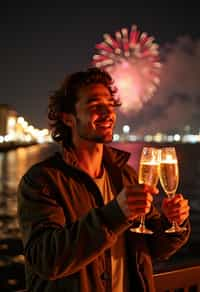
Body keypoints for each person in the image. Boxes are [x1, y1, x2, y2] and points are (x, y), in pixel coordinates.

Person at [17, 67, 190, 292]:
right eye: (95, 106)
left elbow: (153, 249)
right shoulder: (42, 180)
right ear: (68, 118)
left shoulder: (125, 175)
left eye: (110, 105)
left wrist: (172, 222)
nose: (108, 113)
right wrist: (115, 214)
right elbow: (46, 259)